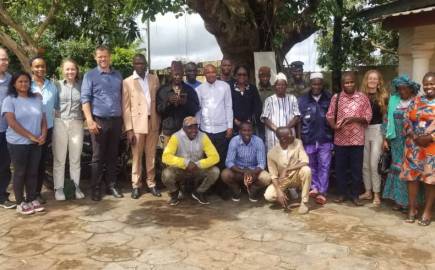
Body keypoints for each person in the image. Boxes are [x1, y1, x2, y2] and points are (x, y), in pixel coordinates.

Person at [81, 46, 123, 201]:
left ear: (110, 57)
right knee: (98, 157)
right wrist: (90, 120)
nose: (103, 59)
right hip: (98, 121)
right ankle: (95, 188)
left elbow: (122, 99)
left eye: (105, 56)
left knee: (113, 156)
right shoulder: (90, 75)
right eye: (100, 57)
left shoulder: (118, 75)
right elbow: (85, 99)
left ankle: (111, 186)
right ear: (95, 57)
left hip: (116, 121)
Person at [1, 71, 47, 214]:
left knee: (33, 172)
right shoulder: (9, 100)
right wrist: (31, 136)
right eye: (20, 81)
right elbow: (12, 123)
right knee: (20, 172)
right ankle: (21, 202)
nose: (23, 84)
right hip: (17, 143)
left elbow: (43, 119)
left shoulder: (37, 98)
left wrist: (43, 134)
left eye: (26, 81)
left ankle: (32, 198)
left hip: (36, 142)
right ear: (14, 84)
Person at [326, 72, 372, 206]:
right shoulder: (336, 97)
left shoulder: (363, 97)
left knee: (356, 169)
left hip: (357, 140)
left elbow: (368, 116)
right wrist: (334, 126)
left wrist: (353, 119)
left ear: (355, 83)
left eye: (351, 82)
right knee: (340, 169)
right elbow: (329, 115)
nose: (349, 84)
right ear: (342, 84)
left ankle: (355, 195)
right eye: (346, 82)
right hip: (340, 139)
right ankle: (341, 194)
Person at [123, 54, 161, 199]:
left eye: (142, 63)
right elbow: (126, 108)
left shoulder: (154, 78)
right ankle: (136, 185)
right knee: (137, 156)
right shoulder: (127, 82)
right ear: (133, 64)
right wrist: (129, 129)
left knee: (151, 155)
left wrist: (159, 121)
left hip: (153, 121)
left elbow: (157, 100)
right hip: (137, 123)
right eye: (137, 63)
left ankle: (151, 183)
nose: (140, 65)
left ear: (146, 64)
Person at [382, 75, 423, 213]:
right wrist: (385, 139)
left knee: (411, 169)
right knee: (397, 168)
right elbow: (387, 119)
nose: (402, 92)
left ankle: (412, 203)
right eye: (399, 89)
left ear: (411, 89)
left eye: (404, 89)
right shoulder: (394, 101)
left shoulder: (417, 102)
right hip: (396, 140)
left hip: (412, 141)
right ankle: (399, 201)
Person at [400, 72, 435, 226]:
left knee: (430, 180)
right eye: (426, 84)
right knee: (412, 177)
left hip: (432, 147)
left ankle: (427, 211)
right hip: (413, 146)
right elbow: (406, 120)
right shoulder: (416, 101)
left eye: (432, 83)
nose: (429, 87)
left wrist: (430, 138)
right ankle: (412, 209)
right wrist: (414, 136)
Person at [162, 116, 220, 206]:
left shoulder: (203, 136)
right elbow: (165, 157)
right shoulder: (176, 137)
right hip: (180, 169)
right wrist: (185, 163)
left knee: (215, 171)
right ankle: (174, 193)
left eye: (196, 127)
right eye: (190, 127)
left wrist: (198, 164)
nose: (194, 130)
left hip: (197, 169)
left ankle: (199, 192)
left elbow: (215, 157)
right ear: (184, 128)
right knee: (166, 174)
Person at [298, 72, 333, 204]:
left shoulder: (329, 98)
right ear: (310, 84)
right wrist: (300, 138)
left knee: (324, 165)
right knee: (311, 164)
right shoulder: (303, 100)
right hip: (309, 138)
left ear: (322, 84)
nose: (316, 86)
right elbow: (299, 121)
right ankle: (314, 187)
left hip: (325, 138)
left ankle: (322, 192)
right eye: (314, 84)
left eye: (319, 84)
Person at [52, 59, 85, 200]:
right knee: (59, 158)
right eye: (67, 69)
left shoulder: (82, 85)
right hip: (60, 123)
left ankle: (75, 186)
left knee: (75, 158)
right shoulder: (56, 85)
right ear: (62, 70)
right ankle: (58, 189)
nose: (70, 72)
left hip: (77, 123)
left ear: (76, 70)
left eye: (73, 69)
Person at [264, 127, 311, 214]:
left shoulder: (298, 143)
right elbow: (273, 176)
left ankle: (304, 202)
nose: (292, 135)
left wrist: (287, 169)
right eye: (289, 135)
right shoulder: (271, 153)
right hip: (283, 180)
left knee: (306, 170)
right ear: (283, 139)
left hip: (297, 176)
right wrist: (279, 191)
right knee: (269, 196)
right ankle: (285, 193)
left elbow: (305, 161)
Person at [359, 70, 389, 206]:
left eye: (374, 79)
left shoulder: (383, 96)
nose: (372, 80)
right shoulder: (361, 96)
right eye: (370, 78)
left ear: (378, 81)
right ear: (366, 80)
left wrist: (385, 137)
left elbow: (386, 118)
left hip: (377, 130)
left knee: (374, 164)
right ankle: (368, 191)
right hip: (363, 130)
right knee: (365, 164)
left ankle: (377, 193)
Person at [30, 56, 58, 204]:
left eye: (42, 66)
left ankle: (37, 193)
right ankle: (28, 194)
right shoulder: (26, 85)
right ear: (31, 68)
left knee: (41, 162)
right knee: (30, 163)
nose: (40, 69)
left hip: (47, 130)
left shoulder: (52, 86)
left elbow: (57, 107)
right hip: (30, 131)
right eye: (37, 66)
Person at [221, 122, 270, 202]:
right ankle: (236, 189)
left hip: (254, 170)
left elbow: (262, 163)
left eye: (249, 130)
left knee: (266, 178)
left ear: (252, 131)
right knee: (225, 174)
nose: (247, 133)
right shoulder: (234, 141)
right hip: (238, 170)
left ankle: (253, 189)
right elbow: (229, 162)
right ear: (240, 131)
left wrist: (252, 172)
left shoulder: (258, 141)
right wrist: (244, 172)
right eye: (244, 130)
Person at [196, 64, 233, 169]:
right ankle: (210, 184)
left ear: (216, 72)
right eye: (208, 72)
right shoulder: (199, 89)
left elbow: (228, 106)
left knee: (221, 158)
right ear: (204, 74)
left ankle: (221, 184)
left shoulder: (225, 86)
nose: (211, 74)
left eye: (213, 72)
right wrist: (198, 127)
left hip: (222, 130)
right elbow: (198, 110)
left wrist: (230, 126)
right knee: (208, 159)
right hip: (205, 130)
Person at [157, 61, 200, 145]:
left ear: (183, 74)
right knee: (168, 157)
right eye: (175, 74)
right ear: (171, 73)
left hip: (186, 131)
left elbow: (196, 108)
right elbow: (159, 109)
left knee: (185, 157)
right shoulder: (163, 90)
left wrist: (186, 103)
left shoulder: (189, 90)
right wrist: (168, 102)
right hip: (169, 131)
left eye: (180, 74)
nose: (177, 77)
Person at [261, 72, 300, 152]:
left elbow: (297, 116)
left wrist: (286, 129)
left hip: (289, 134)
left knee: (289, 157)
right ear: (275, 86)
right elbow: (265, 118)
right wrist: (278, 130)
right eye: (278, 85)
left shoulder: (292, 99)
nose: (281, 87)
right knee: (275, 158)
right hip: (273, 135)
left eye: (283, 85)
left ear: (286, 86)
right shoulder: (269, 100)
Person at [0, 48, 15, 209]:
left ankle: (2, 196)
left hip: (6, 129)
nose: (4, 62)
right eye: (1, 59)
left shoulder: (11, 79)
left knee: (4, 164)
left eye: (6, 59)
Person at [230, 65, 262, 134]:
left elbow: (257, 106)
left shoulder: (252, 88)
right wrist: (234, 120)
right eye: (239, 74)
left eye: (244, 74)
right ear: (235, 75)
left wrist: (250, 120)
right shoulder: (229, 88)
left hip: (249, 127)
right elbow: (227, 107)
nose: (242, 76)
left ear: (247, 76)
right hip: (233, 128)